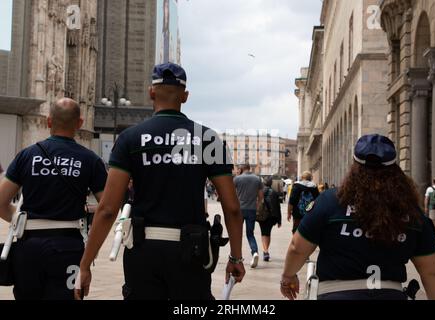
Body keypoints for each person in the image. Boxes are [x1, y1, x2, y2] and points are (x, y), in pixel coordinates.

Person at [75, 63, 245, 300]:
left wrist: (85, 264)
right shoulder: (207, 139)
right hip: (192, 251)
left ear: (151, 92)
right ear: (185, 97)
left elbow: (107, 209)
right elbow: (233, 207)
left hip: (144, 251)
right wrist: (235, 257)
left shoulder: (130, 139)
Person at [281, 134, 435, 300]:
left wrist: (288, 276)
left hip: (336, 294)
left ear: (354, 166)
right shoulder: (411, 213)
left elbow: (297, 248)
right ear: (394, 168)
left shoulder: (330, 201)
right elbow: (432, 273)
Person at [0, 98, 107, 300]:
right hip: (68, 248)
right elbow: (107, 207)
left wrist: (21, 220)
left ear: (49, 122)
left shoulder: (27, 155)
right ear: (80, 123)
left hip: (28, 248)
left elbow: (0, 201)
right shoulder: (90, 159)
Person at [234, 164, 264, 269]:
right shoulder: (257, 179)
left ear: (241, 169)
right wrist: (257, 206)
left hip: (240, 210)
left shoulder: (237, 179)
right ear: (249, 168)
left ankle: (237, 256)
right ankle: (254, 252)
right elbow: (261, 196)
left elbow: (232, 194)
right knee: (250, 234)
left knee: (237, 233)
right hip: (251, 209)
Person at [258, 177, 282, 262]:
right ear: (271, 183)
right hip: (272, 216)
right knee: (268, 233)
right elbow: (278, 207)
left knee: (264, 233)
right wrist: (279, 220)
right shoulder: (275, 193)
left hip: (262, 216)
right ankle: (266, 251)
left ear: (263, 183)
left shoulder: (260, 192)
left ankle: (266, 251)